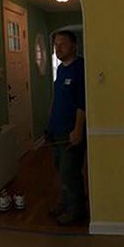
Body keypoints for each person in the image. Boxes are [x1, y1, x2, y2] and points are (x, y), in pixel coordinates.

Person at [46, 30, 87, 226]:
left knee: (70, 171)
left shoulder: (81, 68)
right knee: (61, 170)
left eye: (62, 44)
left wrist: (78, 130)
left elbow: (82, 103)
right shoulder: (61, 69)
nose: (58, 48)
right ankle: (65, 202)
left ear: (74, 46)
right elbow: (56, 99)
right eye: (55, 44)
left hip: (71, 132)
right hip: (57, 130)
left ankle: (76, 210)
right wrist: (49, 125)